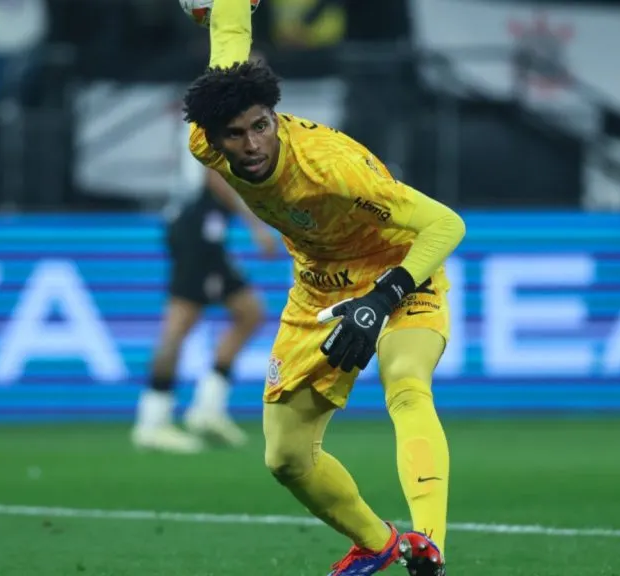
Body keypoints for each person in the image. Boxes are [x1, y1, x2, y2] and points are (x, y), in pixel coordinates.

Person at [181, 1, 465, 574]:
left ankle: (428, 543)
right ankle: (376, 542)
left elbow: (445, 224)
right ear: (216, 138)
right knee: (285, 457)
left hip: (400, 270)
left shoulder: (333, 168)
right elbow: (228, 46)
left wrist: (383, 298)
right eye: (237, 135)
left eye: (262, 125)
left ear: (274, 117)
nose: (254, 143)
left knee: (406, 381)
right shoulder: (204, 142)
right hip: (317, 287)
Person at [131, 129, 277, 454]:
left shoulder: (218, 119)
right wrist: (256, 226)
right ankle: (153, 422)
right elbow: (215, 177)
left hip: (205, 227)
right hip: (198, 230)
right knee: (180, 322)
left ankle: (208, 407)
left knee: (249, 312)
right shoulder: (218, 123)